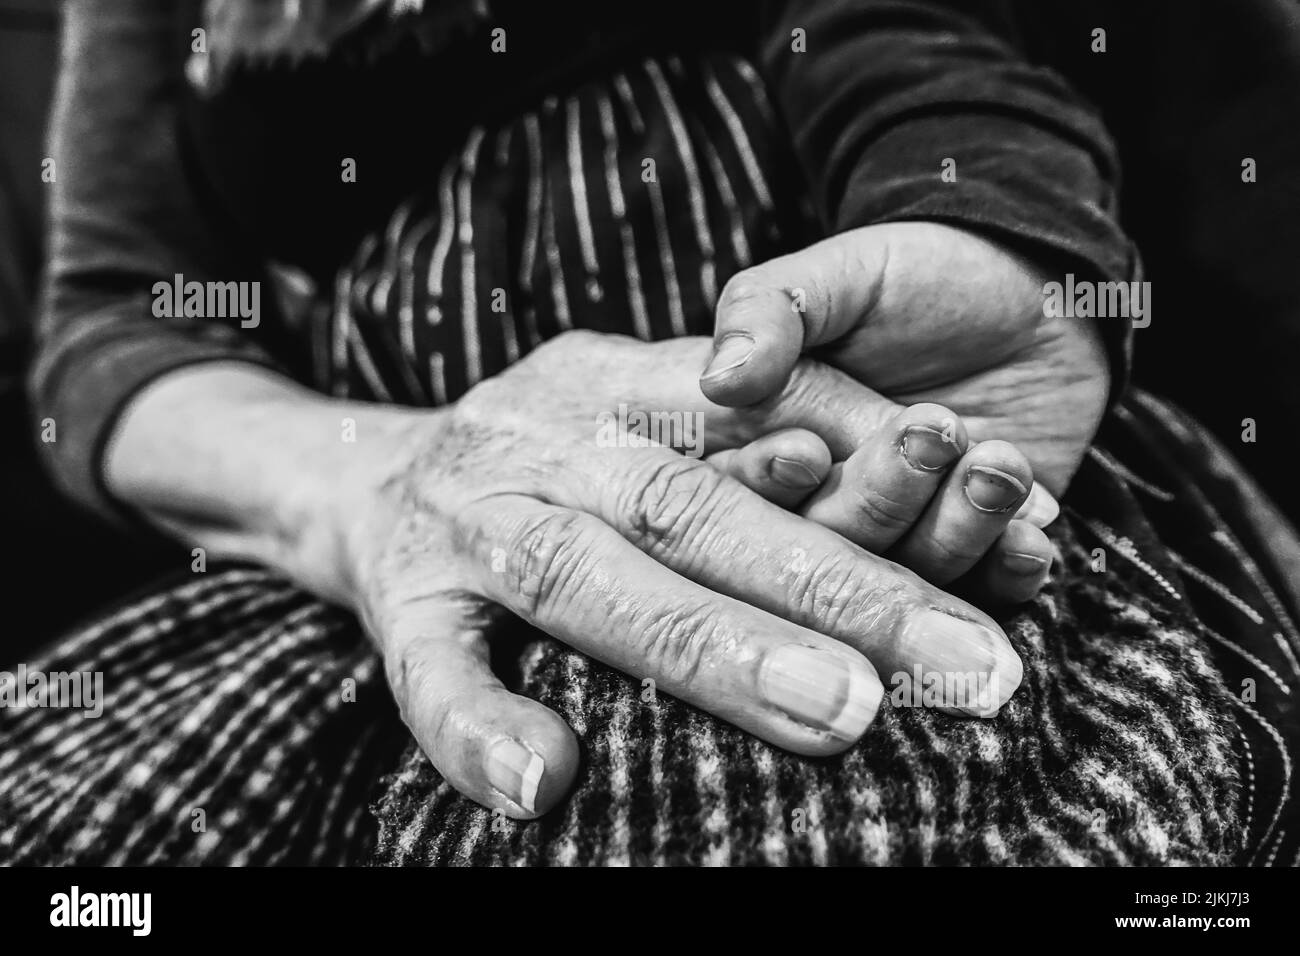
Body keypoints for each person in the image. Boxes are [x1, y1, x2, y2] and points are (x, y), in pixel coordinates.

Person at [2, 0, 1295, 866]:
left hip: (836, 418)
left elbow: (901, 35)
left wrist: (1000, 244)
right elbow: (113, 327)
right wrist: (381, 485)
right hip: (392, 512)